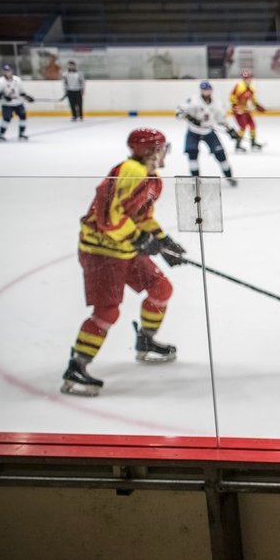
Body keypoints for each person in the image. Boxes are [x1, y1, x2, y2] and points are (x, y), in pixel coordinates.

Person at [60, 128, 187, 397]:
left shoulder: (152, 178)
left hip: (125, 248)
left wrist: (163, 240)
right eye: (162, 147)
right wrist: (139, 238)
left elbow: (140, 215)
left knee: (161, 288)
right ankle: (77, 366)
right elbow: (108, 218)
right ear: (151, 152)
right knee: (107, 312)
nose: (166, 153)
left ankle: (146, 341)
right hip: (101, 251)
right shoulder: (131, 171)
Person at [176, 80, 238, 186]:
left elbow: (221, 119)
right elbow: (179, 113)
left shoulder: (217, 103)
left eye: (208, 90)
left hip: (208, 131)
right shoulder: (193, 100)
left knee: (220, 154)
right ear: (201, 91)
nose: (207, 92)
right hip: (193, 131)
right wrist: (190, 118)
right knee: (192, 154)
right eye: (204, 90)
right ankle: (195, 179)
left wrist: (230, 129)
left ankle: (229, 176)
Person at [0, 64, 34, 142]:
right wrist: (3, 97)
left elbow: (21, 91)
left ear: (12, 71)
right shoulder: (0, 81)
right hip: (7, 104)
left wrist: (27, 97)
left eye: (9, 71)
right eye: (6, 71)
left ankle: (21, 134)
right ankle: (1, 135)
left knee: (23, 116)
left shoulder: (17, 80)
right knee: (6, 119)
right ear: (4, 72)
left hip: (18, 102)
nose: (8, 72)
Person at [229, 69, 266, 152]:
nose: (248, 80)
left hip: (246, 110)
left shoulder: (250, 88)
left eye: (249, 78)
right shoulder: (239, 86)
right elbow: (232, 97)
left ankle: (253, 143)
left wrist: (257, 105)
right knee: (243, 126)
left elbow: (253, 99)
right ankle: (237, 145)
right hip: (239, 111)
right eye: (246, 78)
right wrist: (235, 106)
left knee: (252, 125)